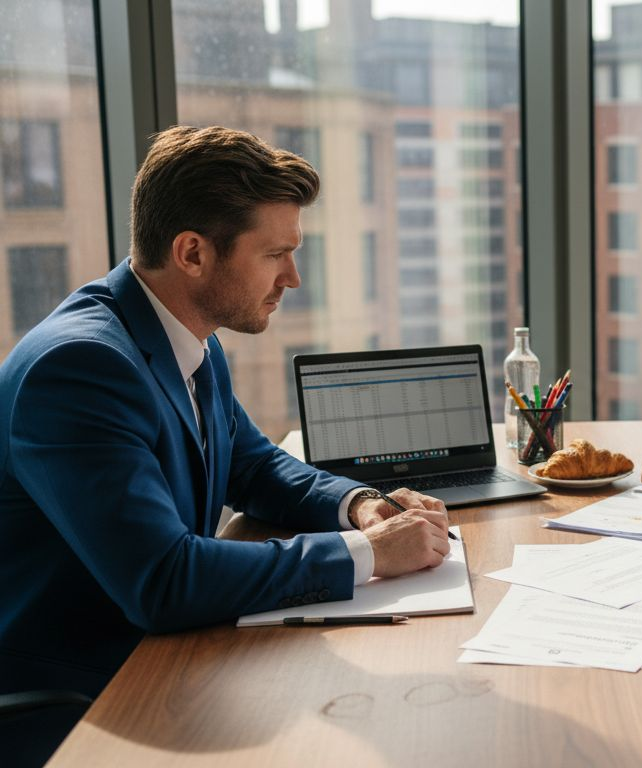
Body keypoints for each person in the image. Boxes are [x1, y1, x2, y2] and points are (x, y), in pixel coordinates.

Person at [0, 126, 452, 708]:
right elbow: (163, 581)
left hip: (171, 655)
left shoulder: (185, 335)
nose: (291, 277)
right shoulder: (80, 368)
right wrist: (367, 554)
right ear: (192, 252)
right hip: (84, 690)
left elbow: (253, 465)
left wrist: (362, 505)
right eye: (274, 255)